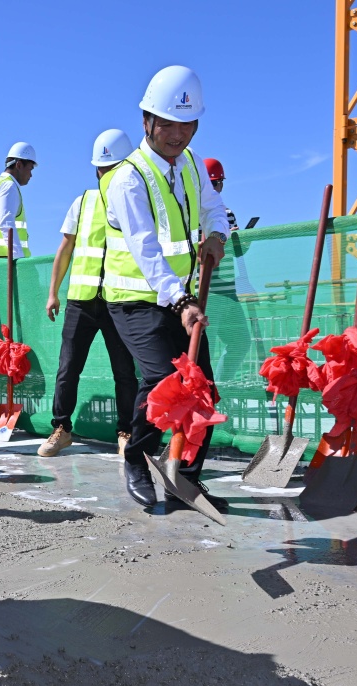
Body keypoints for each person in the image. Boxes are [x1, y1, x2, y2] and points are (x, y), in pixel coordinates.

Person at [100, 66, 230, 512]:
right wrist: (180, 299)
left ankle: (186, 477)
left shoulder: (192, 163)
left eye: (188, 124)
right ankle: (136, 456)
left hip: (181, 298)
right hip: (135, 299)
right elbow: (145, 246)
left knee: (202, 387)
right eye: (169, 124)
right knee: (162, 380)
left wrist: (217, 235)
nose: (179, 134)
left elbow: (214, 208)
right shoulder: (127, 178)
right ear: (146, 121)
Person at [39, 129, 139, 459]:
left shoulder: (136, 203)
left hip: (119, 301)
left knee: (125, 372)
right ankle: (61, 430)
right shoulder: (82, 202)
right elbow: (64, 249)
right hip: (80, 301)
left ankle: (127, 432)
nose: (104, 174)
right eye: (101, 168)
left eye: (110, 168)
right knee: (68, 368)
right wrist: (53, 292)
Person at [201, 158, 252, 385]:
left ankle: (219, 387)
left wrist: (242, 241)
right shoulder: (190, 213)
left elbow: (235, 253)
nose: (216, 189)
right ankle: (205, 392)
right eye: (213, 184)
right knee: (206, 346)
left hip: (228, 291)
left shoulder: (227, 212)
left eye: (217, 184)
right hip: (208, 290)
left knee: (240, 342)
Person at [0, 142, 35, 260]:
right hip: (7, 260)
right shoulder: (9, 186)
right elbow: (7, 224)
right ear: (18, 165)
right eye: (30, 168)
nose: (31, 175)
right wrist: (19, 260)